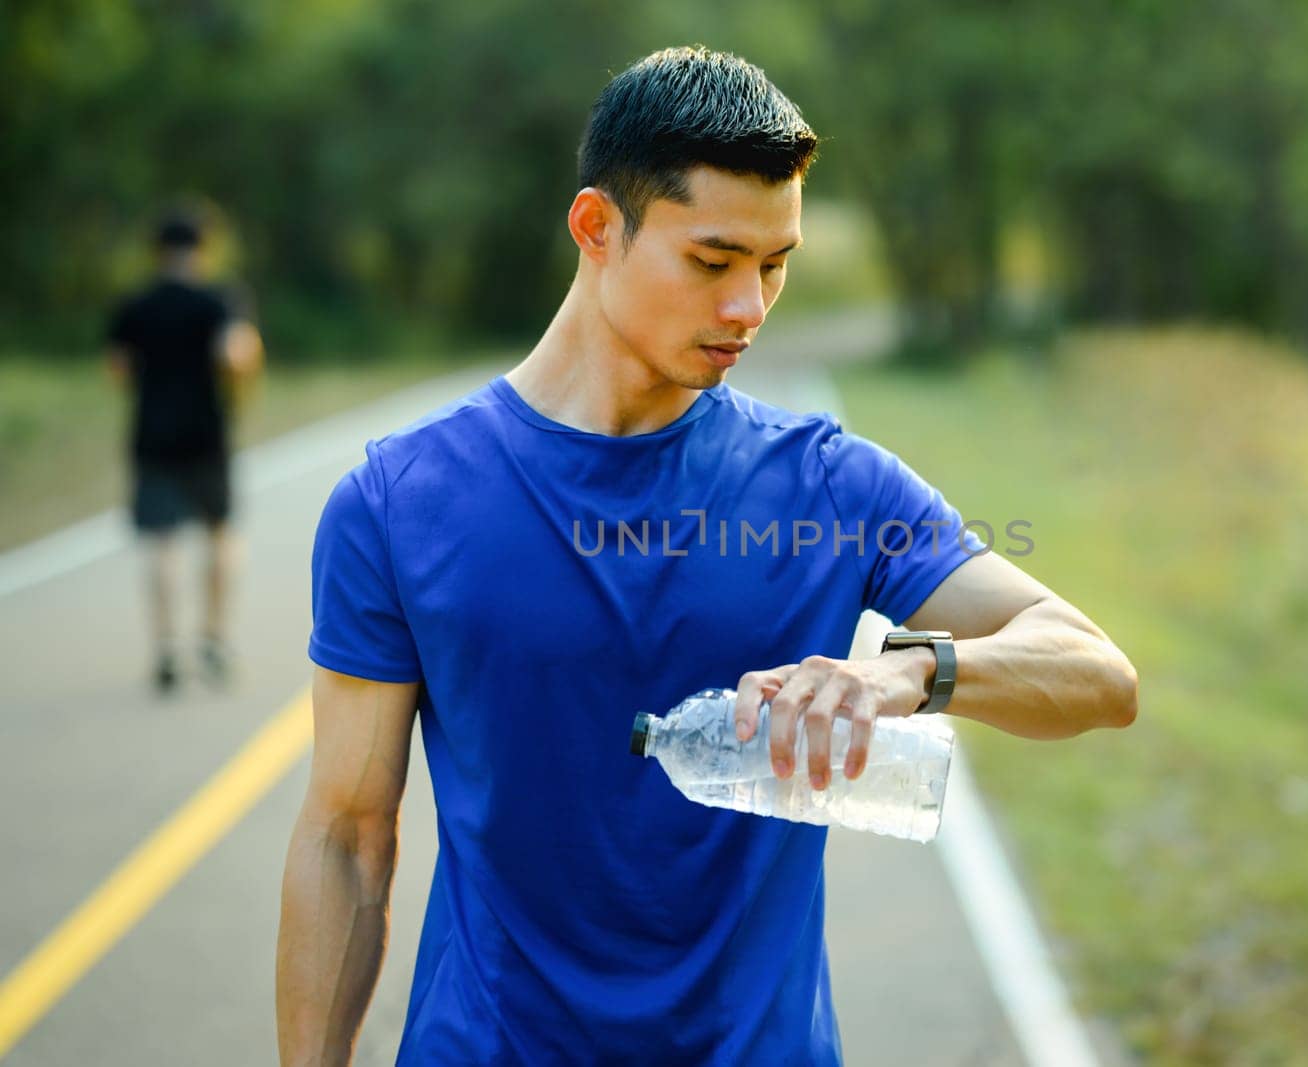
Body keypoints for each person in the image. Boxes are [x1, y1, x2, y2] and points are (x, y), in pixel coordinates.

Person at [276, 46, 1138, 1066]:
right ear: (597, 228)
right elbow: (346, 833)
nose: (750, 309)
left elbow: (1097, 673)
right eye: (713, 261)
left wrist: (912, 669)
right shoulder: (397, 501)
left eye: (776, 265)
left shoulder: (831, 486)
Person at [107, 208, 263, 692]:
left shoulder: (135, 304)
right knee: (220, 534)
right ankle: (214, 639)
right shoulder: (220, 299)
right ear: (203, 248)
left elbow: (118, 369)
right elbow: (236, 356)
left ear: (157, 250)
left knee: (162, 541)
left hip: (151, 434)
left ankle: (166, 648)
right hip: (205, 433)